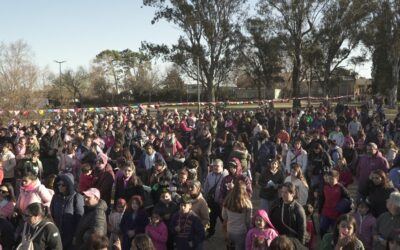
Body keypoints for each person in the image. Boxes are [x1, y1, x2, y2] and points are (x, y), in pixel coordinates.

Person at [50, 173, 85, 250]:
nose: (60, 187)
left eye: (63, 185)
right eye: (59, 184)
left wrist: (76, 236)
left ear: (69, 185)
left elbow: (80, 218)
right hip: (58, 234)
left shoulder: (77, 197)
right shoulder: (55, 197)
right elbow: (51, 215)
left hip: (71, 235)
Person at [318, 170, 352, 237]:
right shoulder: (325, 187)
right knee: (322, 230)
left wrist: (342, 209)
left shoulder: (341, 188)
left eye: (331, 178)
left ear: (337, 178)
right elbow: (321, 199)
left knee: (336, 233)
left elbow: (348, 199)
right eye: (328, 178)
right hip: (325, 213)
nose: (329, 180)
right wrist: (320, 211)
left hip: (336, 215)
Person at [222, 181, 253, 250]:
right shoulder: (247, 203)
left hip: (230, 231)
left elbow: (224, 216)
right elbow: (248, 221)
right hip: (242, 232)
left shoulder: (227, 201)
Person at [203, 158, 228, 238]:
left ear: (222, 166)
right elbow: (206, 187)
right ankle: (210, 232)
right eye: (214, 166)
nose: (215, 168)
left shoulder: (226, 175)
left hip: (222, 203)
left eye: (217, 166)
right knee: (211, 218)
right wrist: (205, 198)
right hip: (212, 201)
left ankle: (228, 234)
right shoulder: (209, 175)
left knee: (224, 219)